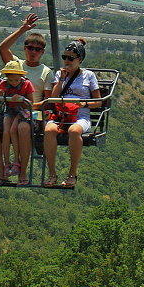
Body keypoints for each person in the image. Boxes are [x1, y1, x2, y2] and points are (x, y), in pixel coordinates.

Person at [0, 13, 55, 184]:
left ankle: (22, 173)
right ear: (24, 48)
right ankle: (2, 171)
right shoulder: (16, 66)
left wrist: (27, 104)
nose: (33, 52)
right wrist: (23, 29)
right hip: (11, 110)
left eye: (37, 50)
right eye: (30, 48)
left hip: (32, 113)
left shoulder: (46, 72)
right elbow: (3, 48)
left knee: (23, 128)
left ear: (42, 52)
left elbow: (48, 103)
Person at [42, 38, 102, 189]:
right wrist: (62, 79)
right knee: (49, 130)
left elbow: (99, 102)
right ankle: (52, 173)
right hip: (61, 115)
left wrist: (84, 103)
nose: (66, 61)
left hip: (80, 115)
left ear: (79, 60)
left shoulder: (88, 76)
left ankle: (72, 174)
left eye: (70, 58)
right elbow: (53, 99)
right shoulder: (60, 75)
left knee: (74, 131)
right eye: (64, 57)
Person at [0, 60, 35, 187]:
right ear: (7, 78)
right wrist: (0, 94)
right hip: (9, 111)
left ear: (21, 77)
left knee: (14, 130)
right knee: (7, 131)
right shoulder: (4, 84)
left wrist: (21, 98)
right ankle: (6, 164)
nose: (14, 83)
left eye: (16, 80)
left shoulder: (26, 84)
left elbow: (31, 102)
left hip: (21, 112)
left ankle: (16, 163)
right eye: (11, 80)